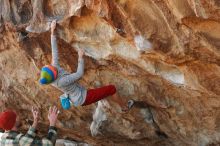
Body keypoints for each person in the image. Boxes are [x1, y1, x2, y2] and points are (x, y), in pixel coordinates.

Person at [39, 20, 134, 112]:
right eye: (53, 68)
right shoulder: (61, 81)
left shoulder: (52, 72)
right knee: (111, 89)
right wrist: (80, 57)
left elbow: (54, 51)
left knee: (104, 93)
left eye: (51, 66)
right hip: (84, 98)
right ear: (54, 75)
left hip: (79, 94)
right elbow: (79, 74)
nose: (54, 66)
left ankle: (107, 102)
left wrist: (52, 31)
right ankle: (124, 107)